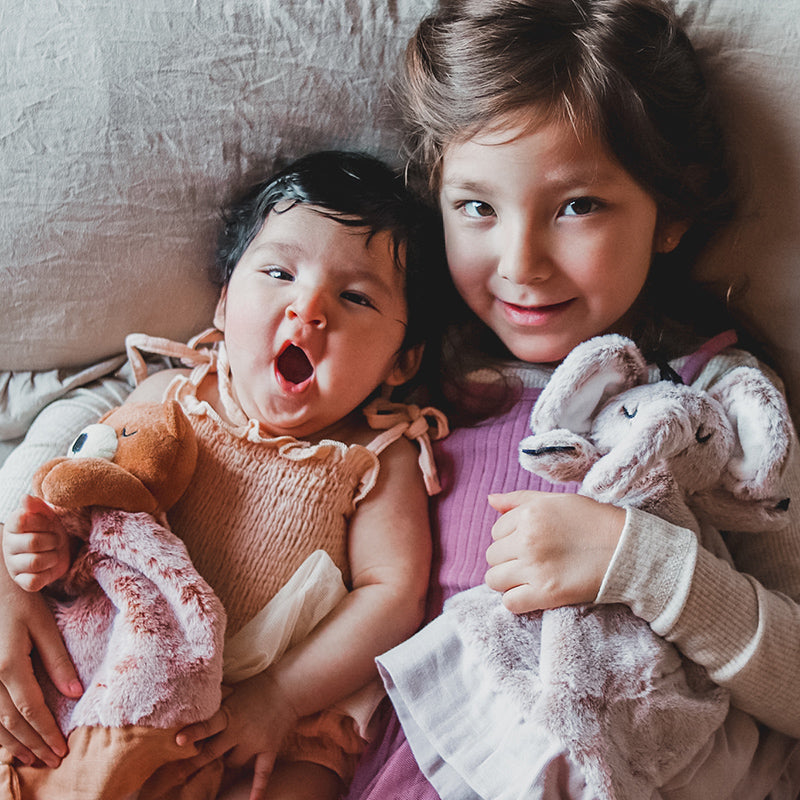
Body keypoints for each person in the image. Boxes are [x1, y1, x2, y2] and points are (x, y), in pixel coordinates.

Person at [345, 0, 800, 797]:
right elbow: (154, 391)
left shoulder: (715, 411)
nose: (521, 262)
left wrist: (644, 566)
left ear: (673, 212)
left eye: (577, 206)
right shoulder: (402, 358)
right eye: (477, 207)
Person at [1, 150, 448, 800]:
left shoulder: (378, 455)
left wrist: (281, 697)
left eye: (354, 297)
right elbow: (92, 495)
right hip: (131, 664)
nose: (308, 309)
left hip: (277, 706)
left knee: (304, 778)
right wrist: (45, 545)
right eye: (277, 272)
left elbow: (393, 595)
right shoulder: (175, 395)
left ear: (401, 363)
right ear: (222, 305)